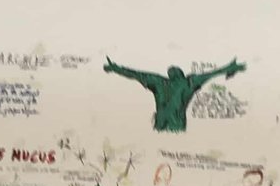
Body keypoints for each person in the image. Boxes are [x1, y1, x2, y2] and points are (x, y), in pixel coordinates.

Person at [104, 55, 246, 132]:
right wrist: (229, 68)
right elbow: (210, 74)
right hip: (178, 125)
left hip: (161, 124)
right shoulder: (188, 82)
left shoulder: (159, 81)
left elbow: (135, 74)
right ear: (181, 74)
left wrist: (115, 68)